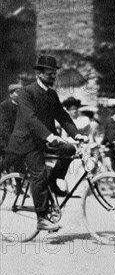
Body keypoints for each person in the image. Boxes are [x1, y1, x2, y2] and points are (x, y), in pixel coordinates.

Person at [6, 55, 87, 231]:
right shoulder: (26, 92)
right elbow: (30, 118)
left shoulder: (51, 94)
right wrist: (50, 136)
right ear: (39, 73)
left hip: (44, 139)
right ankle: (42, 218)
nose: (53, 77)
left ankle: (54, 180)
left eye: (54, 73)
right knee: (39, 173)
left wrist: (76, 135)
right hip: (26, 141)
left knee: (71, 149)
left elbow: (62, 116)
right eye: (50, 74)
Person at [0, 83, 23, 173]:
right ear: (11, 94)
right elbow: (4, 127)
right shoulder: (4, 106)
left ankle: (19, 182)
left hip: (20, 140)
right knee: (12, 157)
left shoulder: (24, 106)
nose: (20, 95)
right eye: (18, 92)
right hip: (6, 139)